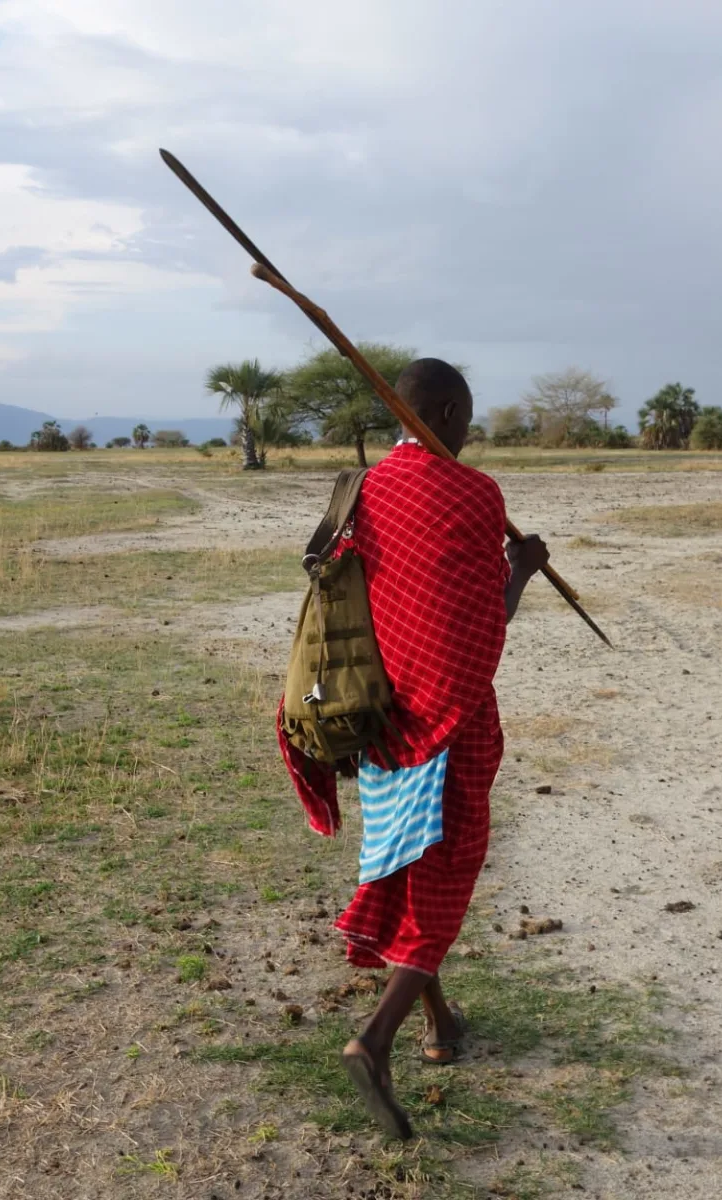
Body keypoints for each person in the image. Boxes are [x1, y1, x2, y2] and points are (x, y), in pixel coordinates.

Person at [275, 357, 550, 1140]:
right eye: (465, 417)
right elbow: (476, 634)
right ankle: (377, 1037)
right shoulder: (472, 492)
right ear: (451, 409)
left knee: (408, 860)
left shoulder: (361, 491)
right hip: (448, 722)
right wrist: (519, 571)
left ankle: (440, 1027)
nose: (468, 431)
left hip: (376, 719)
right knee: (446, 872)